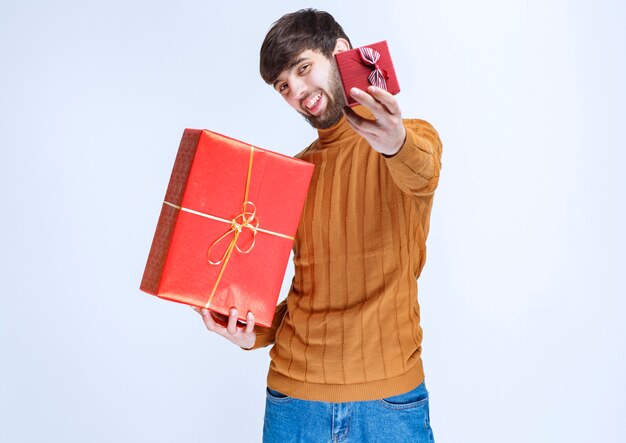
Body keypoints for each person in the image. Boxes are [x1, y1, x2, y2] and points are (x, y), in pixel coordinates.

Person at [193, 8, 442, 442]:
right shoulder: (293, 174)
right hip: (294, 402)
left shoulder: (413, 138)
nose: (298, 92)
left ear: (341, 53)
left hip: (389, 404)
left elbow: (422, 174)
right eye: (284, 86)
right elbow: (304, 296)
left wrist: (395, 143)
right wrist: (249, 330)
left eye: (304, 69)